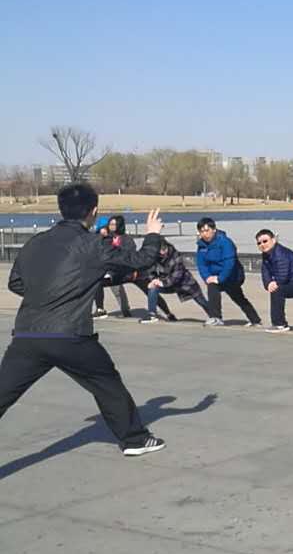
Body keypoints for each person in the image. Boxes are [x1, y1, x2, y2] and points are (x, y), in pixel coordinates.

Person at [0, 184, 168, 456]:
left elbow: (16, 283)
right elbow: (140, 260)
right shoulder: (92, 244)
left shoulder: (35, 242)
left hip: (28, 335)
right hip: (70, 335)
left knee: (3, 394)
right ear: (94, 211)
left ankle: (134, 439)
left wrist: (48, 293)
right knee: (106, 382)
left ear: (61, 209)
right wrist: (152, 234)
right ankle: (135, 439)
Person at [195, 217, 261, 327]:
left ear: (214, 230)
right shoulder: (201, 245)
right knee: (212, 287)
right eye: (202, 231)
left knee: (238, 297)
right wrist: (207, 277)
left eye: (207, 230)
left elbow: (229, 263)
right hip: (215, 276)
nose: (205, 234)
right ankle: (216, 317)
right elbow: (201, 264)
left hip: (232, 276)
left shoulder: (225, 242)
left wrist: (220, 278)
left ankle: (255, 320)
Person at [139, 240, 213, 323]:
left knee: (201, 301)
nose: (162, 253)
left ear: (167, 247)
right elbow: (150, 271)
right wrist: (154, 280)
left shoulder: (176, 256)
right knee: (153, 288)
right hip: (167, 283)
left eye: (164, 249)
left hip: (185, 284)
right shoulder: (154, 257)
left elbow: (177, 276)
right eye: (159, 251)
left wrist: (162, 283)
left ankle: (214, 316)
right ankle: (153, 315)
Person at [91, 215, 133, 319]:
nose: (104, 230)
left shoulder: (115, 238)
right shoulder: (97, 239)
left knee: (117, 289)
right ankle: (100, 309)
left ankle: (125, 309)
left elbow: (124, 251)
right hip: (102, 269)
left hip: (114, 269)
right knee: (96, 285)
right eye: (102, 228)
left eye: (106, 228)